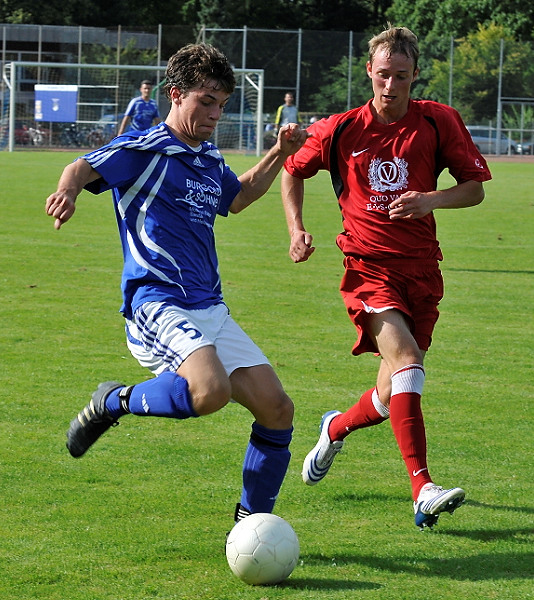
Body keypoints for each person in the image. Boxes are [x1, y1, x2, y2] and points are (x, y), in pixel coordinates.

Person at [46, 43, 309, 526]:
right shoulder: (145, 148)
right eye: (205, 102)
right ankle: (113, 401)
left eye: (221, 104)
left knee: (277, 408)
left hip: (210, 307)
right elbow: (80, 168)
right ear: (176, 94)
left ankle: (250, 526)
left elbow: (238, 197)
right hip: (156, 301)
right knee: (209, 390)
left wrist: (279, 153)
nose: (215, 114)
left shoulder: (207, 158)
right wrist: (67, 191)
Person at [281, 24, 491, 530]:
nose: (390, 85)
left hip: (422, 271)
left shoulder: (438, 121)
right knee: (409, 363)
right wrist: (296, 229)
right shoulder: (340, 129)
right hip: (368, 269)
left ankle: (335, 428)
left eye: (400, 75)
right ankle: (423, 488)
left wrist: (430, 200)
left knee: (390, 391)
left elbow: (474, 188)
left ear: (415, 74)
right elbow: (291, 169)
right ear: (368, 72)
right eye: (382, 74)